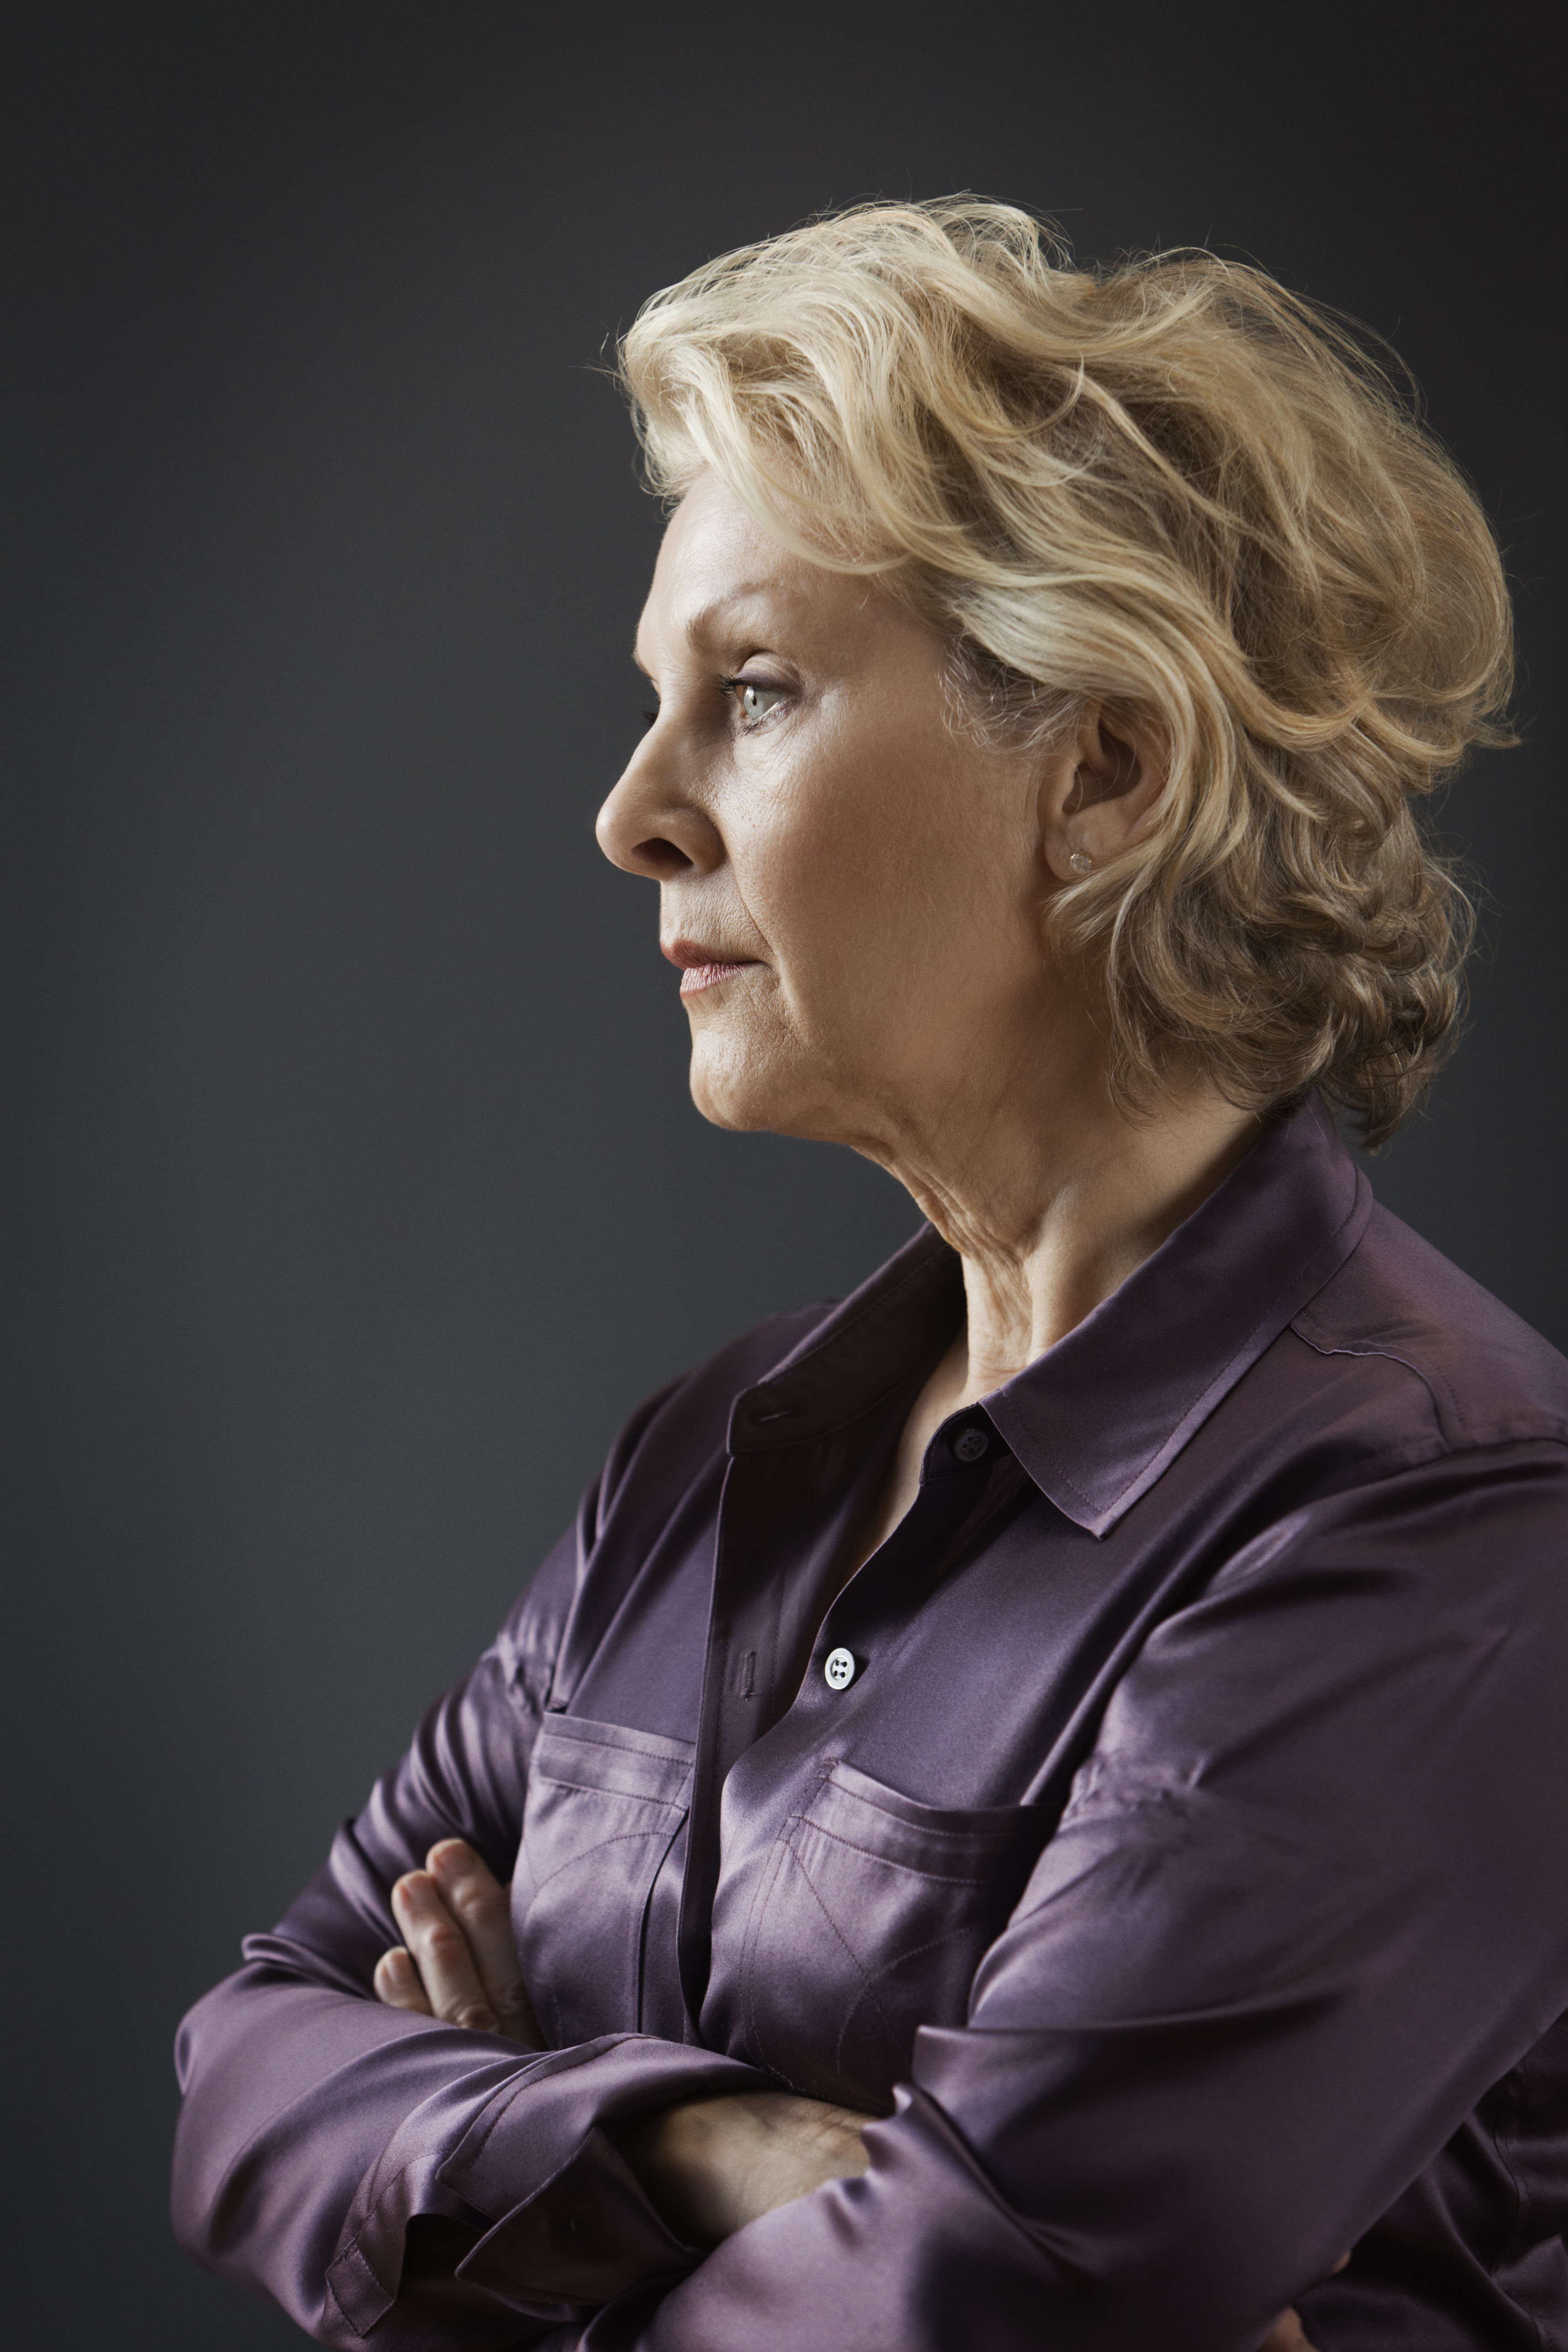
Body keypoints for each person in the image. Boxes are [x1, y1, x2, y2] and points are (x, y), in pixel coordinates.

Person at [171, 201, 1568, 2352]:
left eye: (750, 693)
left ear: (1104, 770)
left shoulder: (1441, 1513)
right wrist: (693, 2146)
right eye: (661, 707)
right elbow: (248, 2066)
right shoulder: (710, 1465)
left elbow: (971, 2306)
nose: (635, 810)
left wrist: (495, 2166)